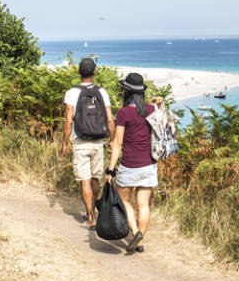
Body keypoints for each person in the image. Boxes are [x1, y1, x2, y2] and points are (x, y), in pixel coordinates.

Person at [105, 72, 163, 253]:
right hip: (149, 164)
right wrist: (160, 104)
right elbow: (163, 125)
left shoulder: (124, 113)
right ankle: (139, 243)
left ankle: (136, 232)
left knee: (124, 201)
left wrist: (110, 169)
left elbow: (118, 143)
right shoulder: (152, 110)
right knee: (143, 204)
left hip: (129, 165)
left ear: (126, 92)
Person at [61, 57, 115, 229]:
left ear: (78, 72)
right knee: (95, 179)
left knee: (84, 180)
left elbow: (69, 120)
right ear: (94, 72)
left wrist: (64, 143)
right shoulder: (102, 92)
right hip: (98, 141)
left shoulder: (71, 93)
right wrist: (112, 140)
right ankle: (93, 212)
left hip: (80, 141)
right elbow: (109, 119)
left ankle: (91, 218)